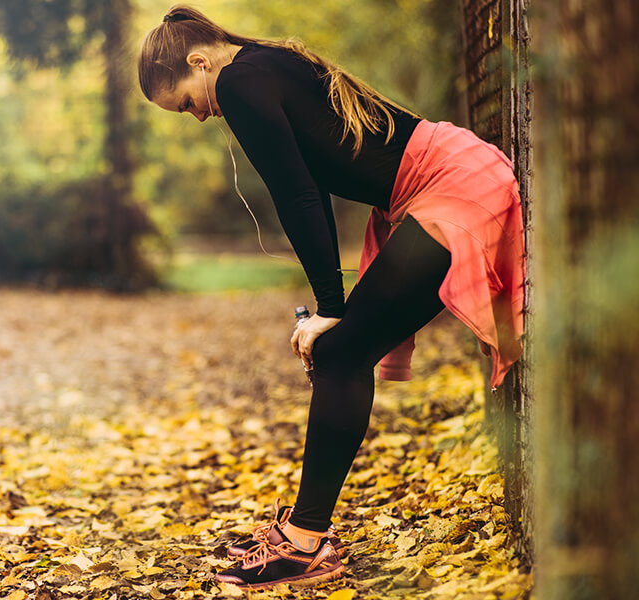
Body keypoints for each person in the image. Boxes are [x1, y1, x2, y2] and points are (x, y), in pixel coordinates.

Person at [138, 5, 525, 590]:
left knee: (340, 353)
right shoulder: (266, 63)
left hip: (453, 187)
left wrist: (330, 308)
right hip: (453, 173)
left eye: (188, 102)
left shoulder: (240, 81)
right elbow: (314, 189)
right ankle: (306, 532)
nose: (198, 115)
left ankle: (304, 543)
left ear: (199, 62)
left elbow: (297, 197)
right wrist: (330, 306)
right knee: (342, 352)